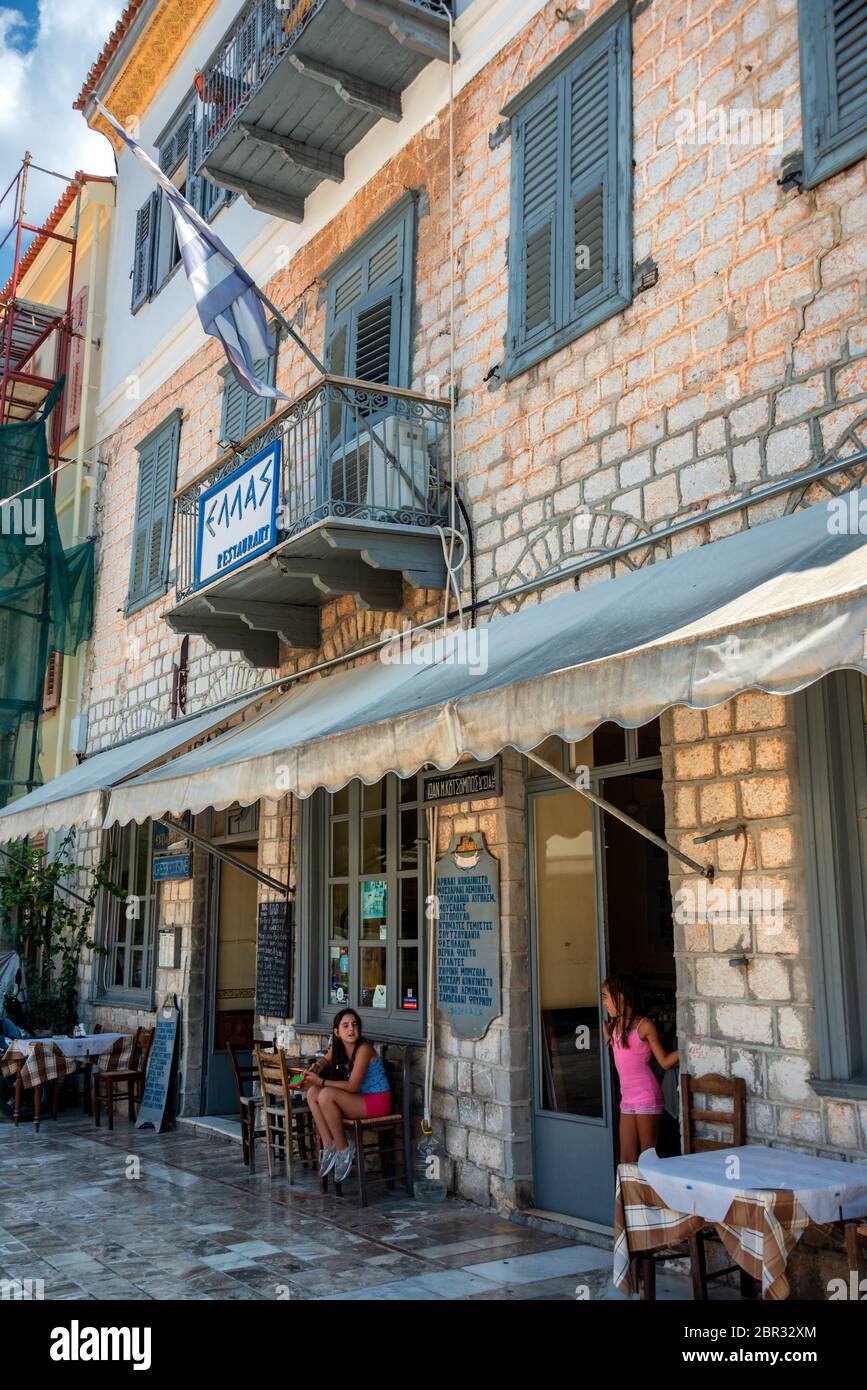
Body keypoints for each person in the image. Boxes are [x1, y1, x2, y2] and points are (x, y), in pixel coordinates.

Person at [302, 1007, 391, 1182]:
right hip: (360, 1099)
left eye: (354, 1025)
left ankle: (343, 1149)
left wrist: (319, 1081)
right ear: (336, 1032)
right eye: (345, 1026)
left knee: (325, 1094)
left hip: (377, 1101)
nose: (351, 1029)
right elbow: (325, 1059)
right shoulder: (340, 1048)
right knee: (312, 1093)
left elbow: (352, 1086)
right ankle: (329, 1145)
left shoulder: (364, 1049)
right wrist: (317, 1067)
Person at [602, 973, 679, 1164]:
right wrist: (610, 1039)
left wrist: (687, 1047)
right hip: (627, 1100)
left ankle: (649, 1195)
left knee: (648, 1158)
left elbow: (664, 1062)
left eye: (605, 997)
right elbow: (624, 1054)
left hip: (647, 1096)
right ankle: (628, 1195)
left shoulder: (644, 1026)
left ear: (619, 997)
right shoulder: (614, 1027)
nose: (604, 1003)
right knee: (626, 1159)